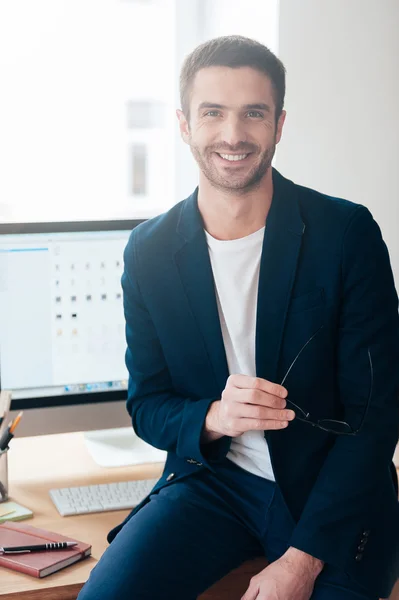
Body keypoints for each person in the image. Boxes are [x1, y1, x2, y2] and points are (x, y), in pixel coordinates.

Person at [78, 35, 399, 600]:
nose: (232, 134)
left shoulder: (346, 234)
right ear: (184, 125)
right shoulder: (147, 252)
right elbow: (148, 406)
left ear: (279, 124)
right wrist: (214, 416)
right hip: (214, 484)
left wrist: (301, 561)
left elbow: (377, 415)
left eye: (253, 113)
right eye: (213, 113)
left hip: (331, 494)